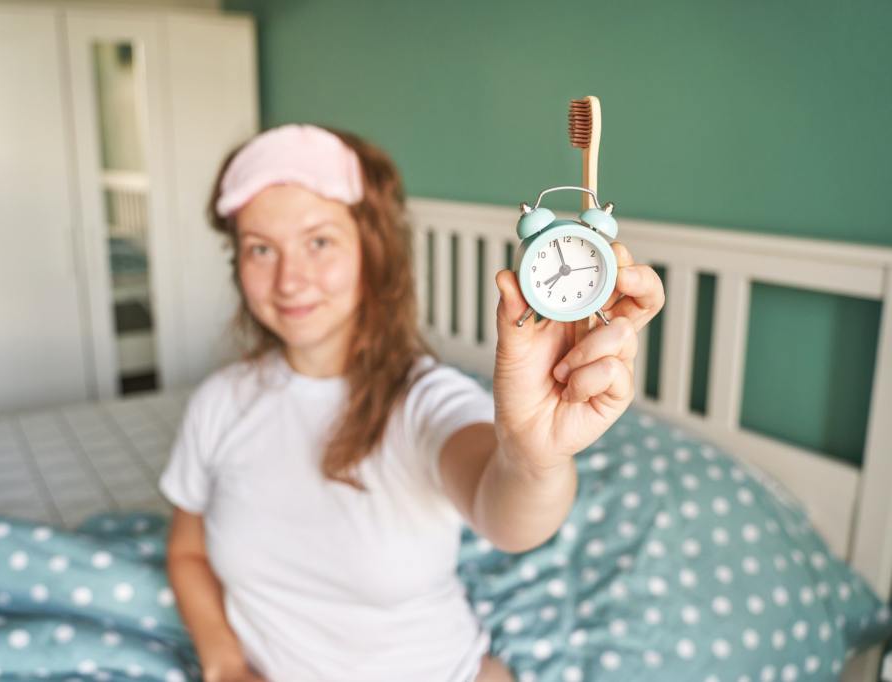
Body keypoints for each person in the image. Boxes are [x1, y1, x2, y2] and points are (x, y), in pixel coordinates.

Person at [159, 124, 665, 682]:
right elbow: (188, 552)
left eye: (319, 241)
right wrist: (225, 662)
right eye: (260, 248)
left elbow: (509, 517)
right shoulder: (218, 403)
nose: (289, 279)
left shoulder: (426, 401)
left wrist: (530, 458)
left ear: (372, 252)